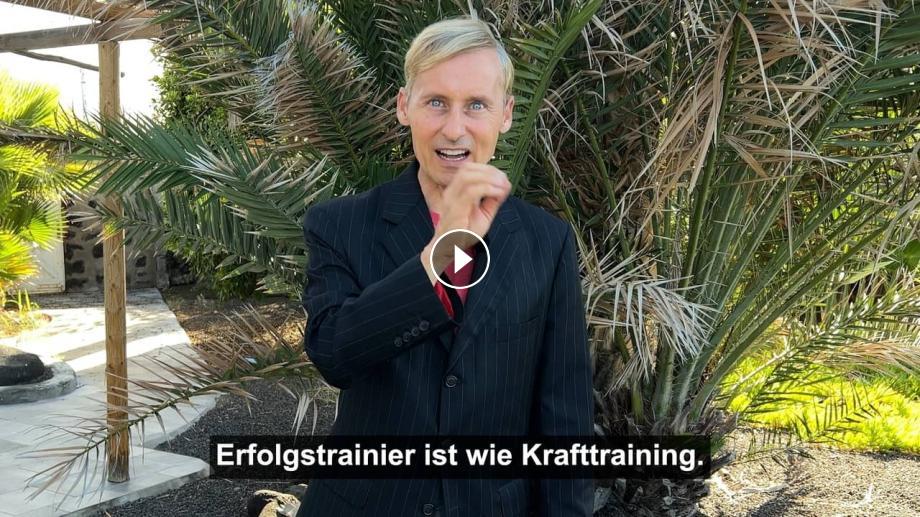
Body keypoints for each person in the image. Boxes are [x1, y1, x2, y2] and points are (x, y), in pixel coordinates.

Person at [297, 15, 593, 517]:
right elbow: (333, 354)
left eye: (476, 104)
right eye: (436, 102)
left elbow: (565, 414)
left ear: (505, 114)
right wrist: (444, 249)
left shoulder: (547, 241)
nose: (454, 128)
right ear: (404, 106)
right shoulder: (339, 224)